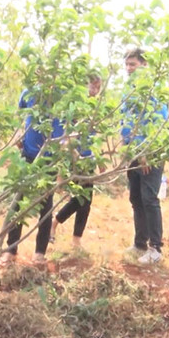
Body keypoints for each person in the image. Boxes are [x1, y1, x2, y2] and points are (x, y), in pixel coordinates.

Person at [0, 86, 65, 266]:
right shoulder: (28, 91)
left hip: (50, 159)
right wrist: (19, 134)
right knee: (19, 204)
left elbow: (67, 126)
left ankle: (39, 252)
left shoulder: (62, 92)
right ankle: (10, 250)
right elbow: (20, 115)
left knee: (46, 205)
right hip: (27, 156)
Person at [120, 48, 168, 265]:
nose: (130, 69)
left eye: (133, 64)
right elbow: (125, 120)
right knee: (136, 197)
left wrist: (146, 153)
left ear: (144, 65)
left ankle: (155, 248)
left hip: (150, 153)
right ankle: (140, 243)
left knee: (149, 198)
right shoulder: (128, 90)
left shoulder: (153, 90)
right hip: (132, 152)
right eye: (127, 65)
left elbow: (158, 123)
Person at [51, 74, 102, 248]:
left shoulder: (94, 110)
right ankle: (55, 223)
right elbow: (65, 137)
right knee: (80, 198)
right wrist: (74, 159)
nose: (94, 91)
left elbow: (95, 138)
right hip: (73, 159)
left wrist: (99, 159)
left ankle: (75, 238)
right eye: (92, 86)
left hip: (88, 160)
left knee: (85, 200)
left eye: (97, 87)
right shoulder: (73, 108)